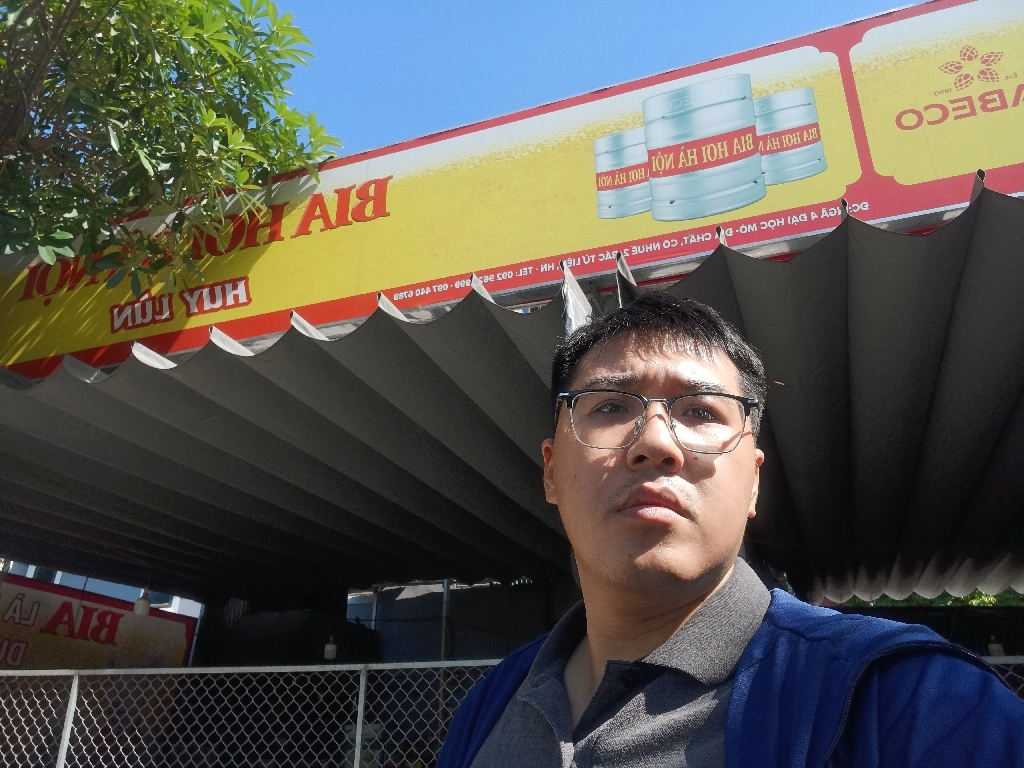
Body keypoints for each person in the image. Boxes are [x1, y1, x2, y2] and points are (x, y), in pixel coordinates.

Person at [438, 291, 1024, 768]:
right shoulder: (490, 704)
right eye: (611, 406)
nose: (656, 443)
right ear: (551, 472)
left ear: (753, 483)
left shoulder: (917, 703)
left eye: (701, 411)